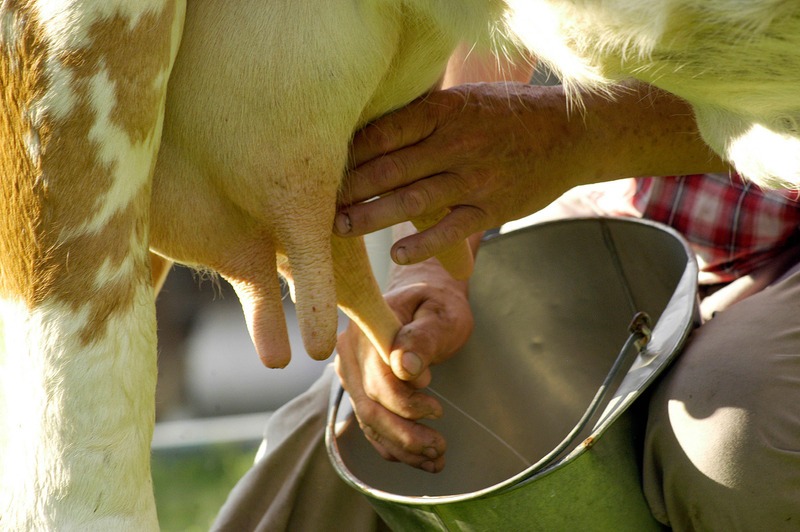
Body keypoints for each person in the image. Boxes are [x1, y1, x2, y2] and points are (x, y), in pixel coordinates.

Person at [214, 52, 800, 532]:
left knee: (734, 442)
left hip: (781, 236)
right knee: (338, 429)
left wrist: (579, 134)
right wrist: (436, 261)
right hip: (626, 197)